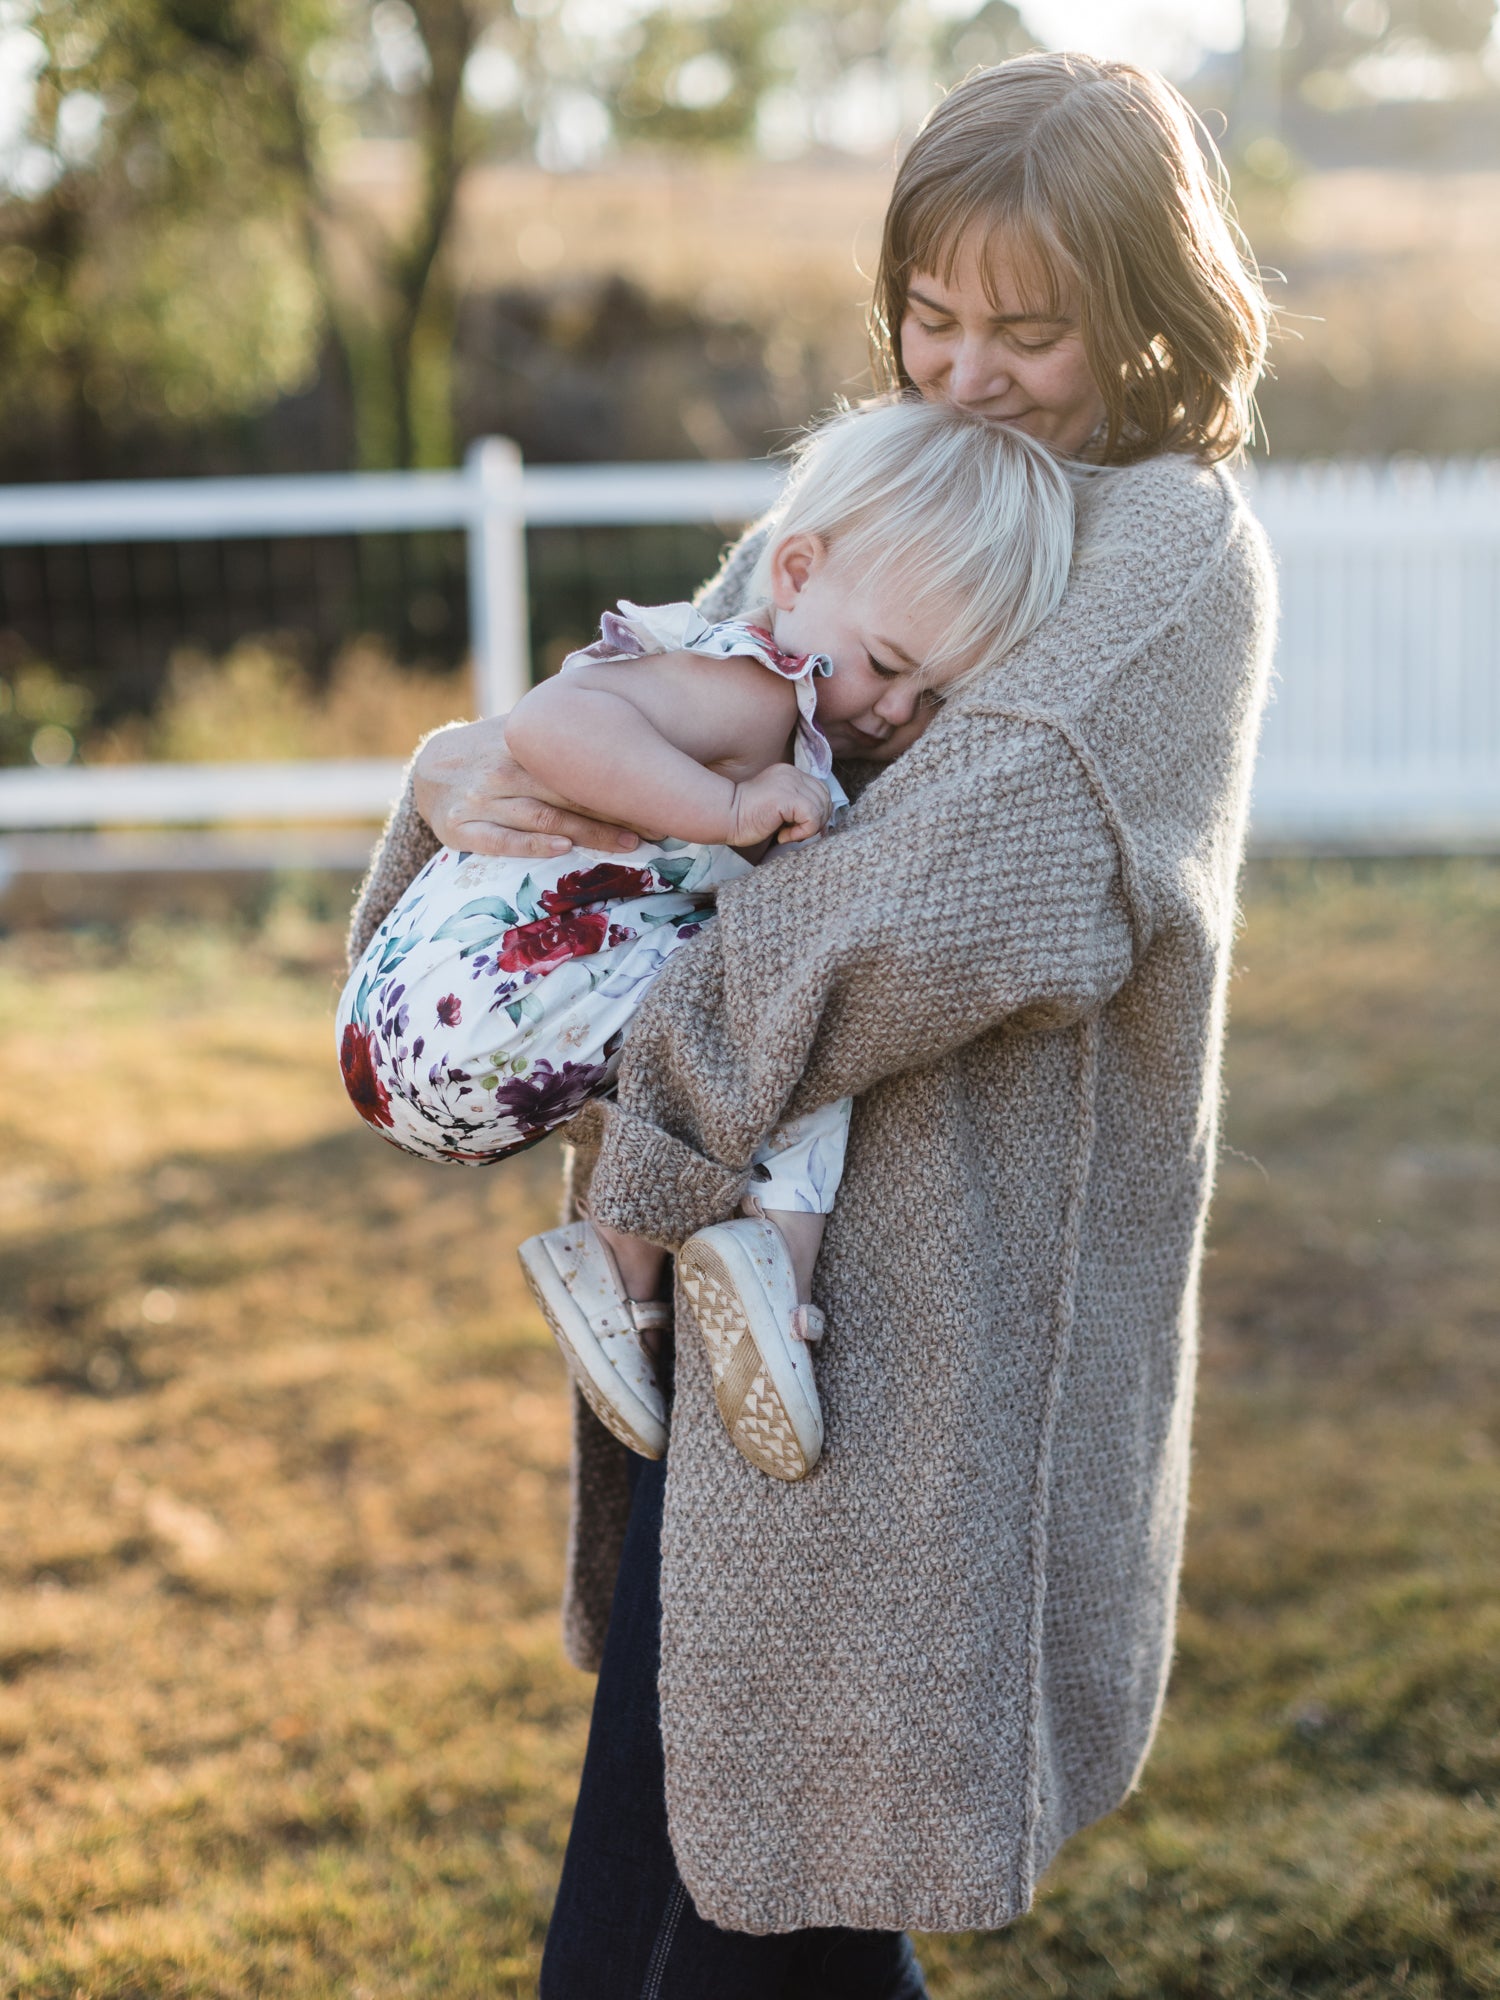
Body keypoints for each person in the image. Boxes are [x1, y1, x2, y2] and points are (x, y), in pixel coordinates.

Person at [347, 51, 1277, 2000]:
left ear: (1151, 312)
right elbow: (681, 694)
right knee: (693, 1904)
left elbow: (925, 901)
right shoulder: (912, 475)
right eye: (931, 319)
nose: (968, 372)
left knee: (743, 1912)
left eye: (1032, 329)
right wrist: (462, 779)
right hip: (742, 1322)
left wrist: (660, 1149)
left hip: (923, 1336)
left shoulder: (1165, 552)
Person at [338, 400, 1075, 1484]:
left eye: (934, 695)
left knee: (764, 991)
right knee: (800, 998)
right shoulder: (749, 690)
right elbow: (548, 725)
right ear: (795, 572)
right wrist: (724, 813)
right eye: (884, 662)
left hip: (442, 1035)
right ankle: (771, 1271)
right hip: (481, 1002)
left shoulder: (796, 722)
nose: (895, 710)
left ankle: (630, 1269)